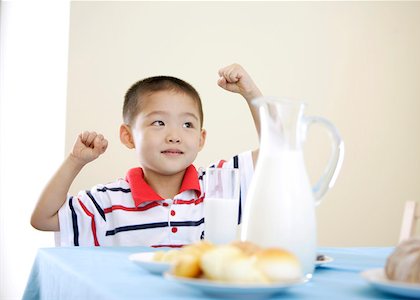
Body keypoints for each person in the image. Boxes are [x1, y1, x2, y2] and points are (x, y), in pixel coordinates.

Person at [30, 63, 262, 247]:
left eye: (187, 124)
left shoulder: (219, 186)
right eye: (159, 122)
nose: (174, 135)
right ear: (128, 136)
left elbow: (277, 150)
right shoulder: (108, 202)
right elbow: (43, 219)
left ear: (201, 138)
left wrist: (251, 94)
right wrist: (75, 161)